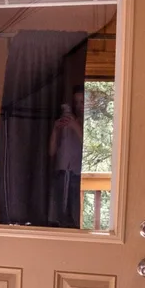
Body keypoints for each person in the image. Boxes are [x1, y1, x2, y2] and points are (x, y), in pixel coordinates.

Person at [48, 85, 84, 228]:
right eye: (76, 102)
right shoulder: (66, 123)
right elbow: (51, 152)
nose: (79, 106)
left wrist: (75, 126)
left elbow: (89, 145)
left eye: (82, 102)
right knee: (59, 213)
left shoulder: (88, 123)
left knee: (76, 212)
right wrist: (56, 129)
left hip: (77, 173)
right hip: (61, 171)